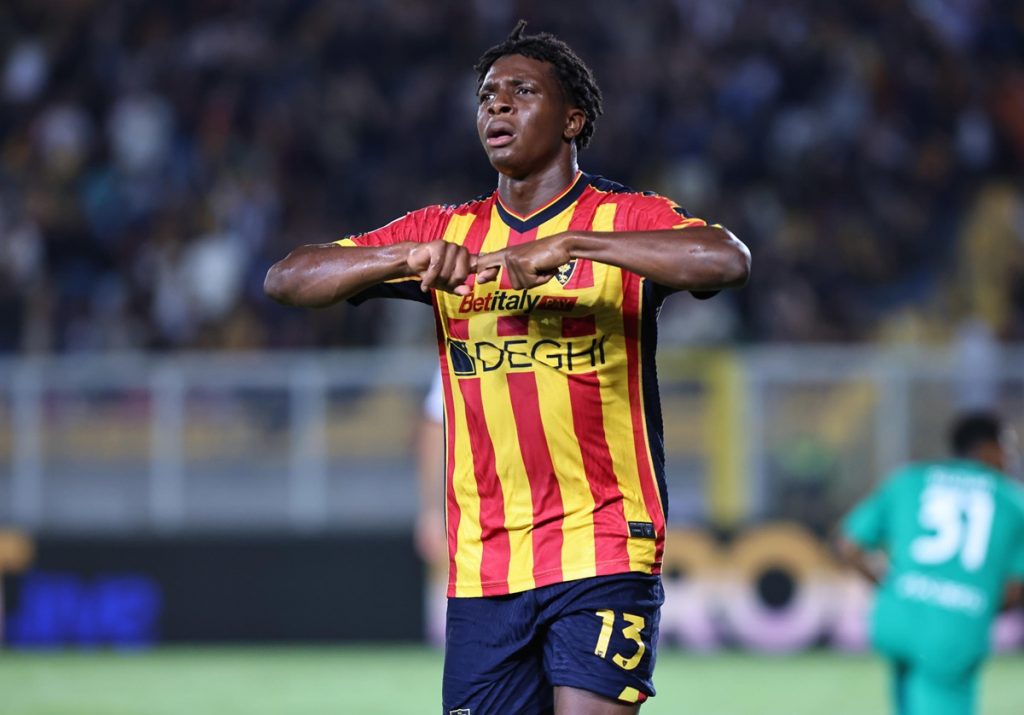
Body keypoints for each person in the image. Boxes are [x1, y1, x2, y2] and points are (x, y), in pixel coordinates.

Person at [265, 21, 750, 715]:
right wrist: (402, 260)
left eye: (522, 92)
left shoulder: (623, 216)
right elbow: (288, 278)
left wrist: (577, 243)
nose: (497, 105)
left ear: (572, 118)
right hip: (485, 564)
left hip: (603, 545)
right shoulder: (448, 235)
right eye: (488, 95)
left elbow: (727, 260)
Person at [838, 412, 1024, 715]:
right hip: (953, 629)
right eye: (1008, 448)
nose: (1011, 458)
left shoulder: (909, 479)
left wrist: (891, 586)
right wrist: (978, 603)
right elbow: (1016, 590)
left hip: (895, 618)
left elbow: (850, 545)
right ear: (988, 449)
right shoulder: (1014, 502)